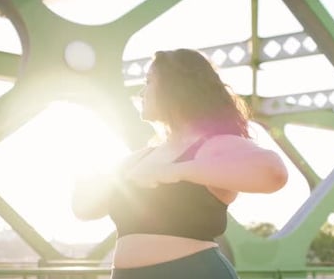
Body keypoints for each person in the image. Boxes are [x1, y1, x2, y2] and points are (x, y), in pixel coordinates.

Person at [71, 48, 288, 279]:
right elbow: (83, 210)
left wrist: (174, 172)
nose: (142, 92)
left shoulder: (212, 146)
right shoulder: (138, 158)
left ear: (175, 87)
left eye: (149, 81)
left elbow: (274, 172)